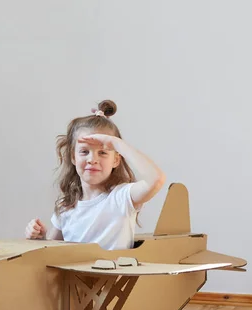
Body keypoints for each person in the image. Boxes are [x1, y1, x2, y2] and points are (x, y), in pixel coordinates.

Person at [25, 99, 166, 250]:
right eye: (84, 151)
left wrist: (118, 144)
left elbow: (156, 179)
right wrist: (40, 238)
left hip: (113, 273)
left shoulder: (121, 197)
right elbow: (52, 250)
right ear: (73, 157)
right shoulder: (65, 206)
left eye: (103, 152)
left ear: (116, 160)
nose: (92, 159)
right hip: (76, 273)